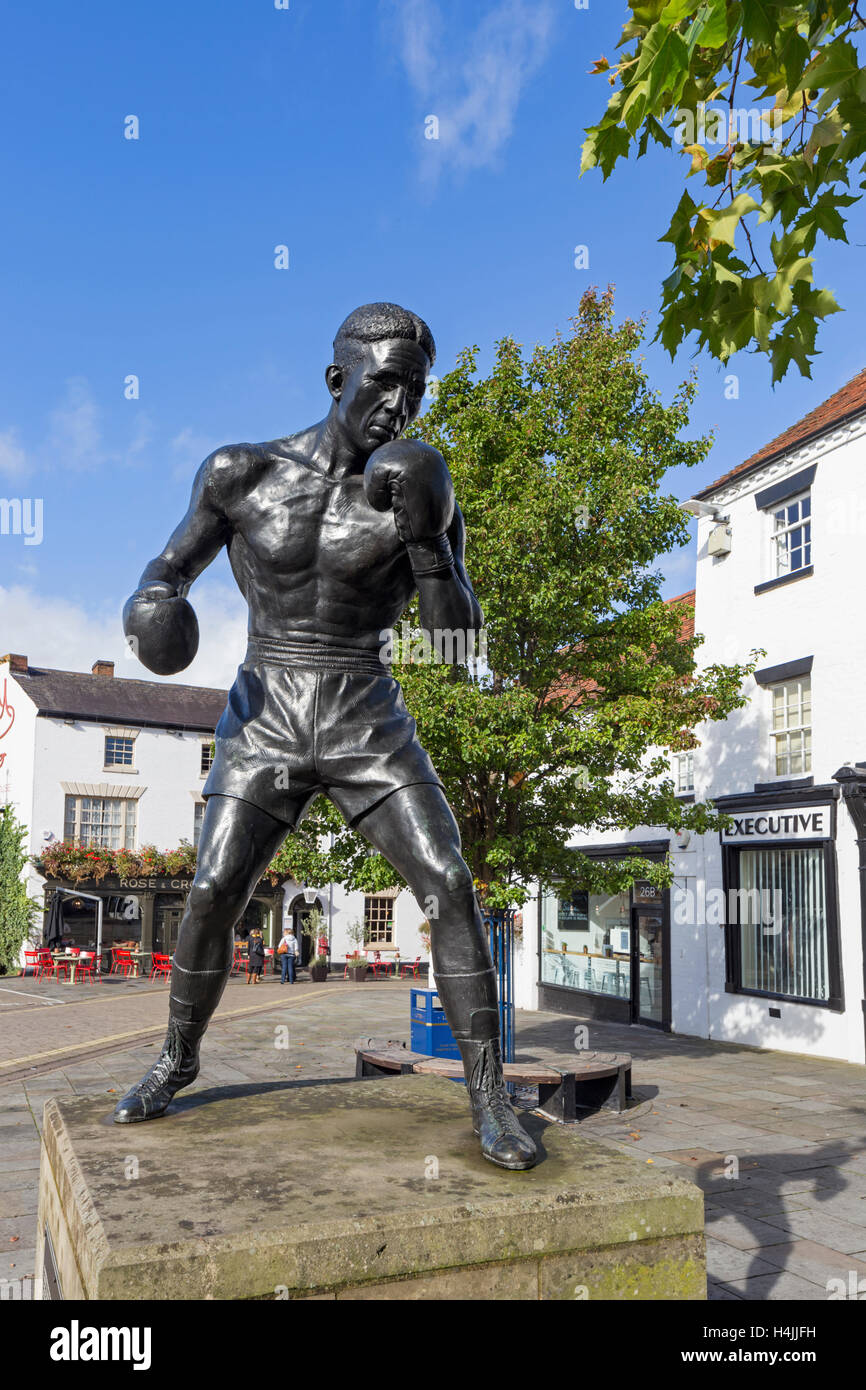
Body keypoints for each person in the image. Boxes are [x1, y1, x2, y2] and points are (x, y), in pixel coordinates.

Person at [113, 301, 536, 1171]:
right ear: (337, 378)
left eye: (414, 389)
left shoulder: (420, 480)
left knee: (450, 881)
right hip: (265, 704)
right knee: (212, 890)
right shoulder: (241, 471)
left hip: (363, 707)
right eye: (384, 382)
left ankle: (490, 1095)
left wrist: (430, 543)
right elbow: (165, 570)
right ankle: (178, 1057)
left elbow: (456, 647)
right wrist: (153, 608)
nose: (400, 405)